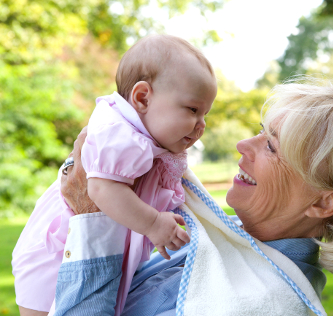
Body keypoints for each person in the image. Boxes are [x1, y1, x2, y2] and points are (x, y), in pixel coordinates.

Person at [48, 78, 333, 315]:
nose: (243, 145)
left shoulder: (262, 304)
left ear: (323, 202)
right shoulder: (221, 239)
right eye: (260, 132)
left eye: (271, 146)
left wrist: (92, 218)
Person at [12, 34, 217, 316]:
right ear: (142, 97)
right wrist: (155, 224)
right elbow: (102, 190)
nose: (201, 124)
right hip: (58, 251)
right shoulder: (120, 135)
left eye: (205, 114)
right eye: (193, 109)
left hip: (81, 249)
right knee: (44, 309)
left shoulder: (143, 139)